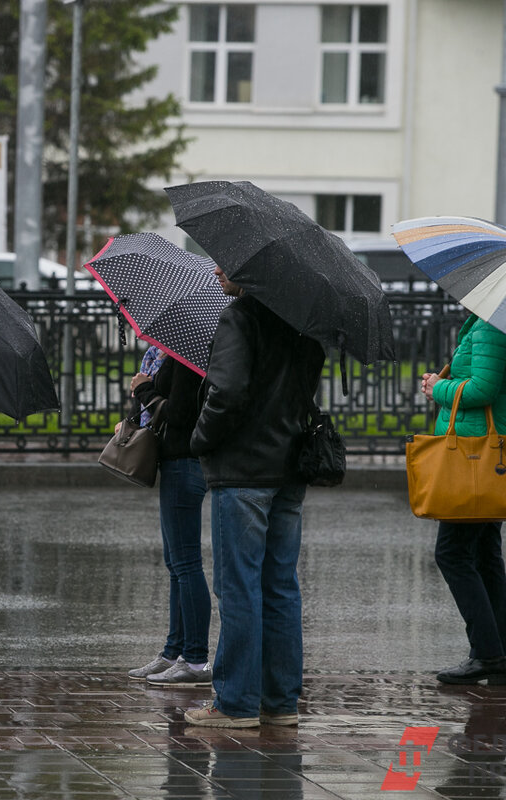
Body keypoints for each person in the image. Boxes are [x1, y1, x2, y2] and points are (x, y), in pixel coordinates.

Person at [182, 265, 325, 728]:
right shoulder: (304, 323)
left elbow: (227, 391)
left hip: (243, 470)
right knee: (280, 586)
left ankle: (235, 703)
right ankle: (281, 703)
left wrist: (199, 439)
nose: (218, 269)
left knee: (238, 586)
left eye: (228, 262)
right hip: (289, 467)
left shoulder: (240, 317)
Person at [420, 314, 506, 686]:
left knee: (452, 553)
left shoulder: (494, 323)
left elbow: (483, 389)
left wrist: (439, 387)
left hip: (478, 450)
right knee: (486, 553)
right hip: (498, 446)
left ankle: (487, 654)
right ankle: (495, 654)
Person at [122, 345, 212, 687]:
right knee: (176, 564)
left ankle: (196, 659)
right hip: (175, 461)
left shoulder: (188, 358)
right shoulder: (171, 356)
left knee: (187, 564)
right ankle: (173, 653)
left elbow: (182, 412)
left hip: (185, 463)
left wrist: (145, 388)